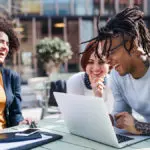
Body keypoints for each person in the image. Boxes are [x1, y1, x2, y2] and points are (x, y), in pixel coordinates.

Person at [88, 7, 150, 135]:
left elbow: (136, 126)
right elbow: (120, 115)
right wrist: (108, 120)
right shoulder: (117, 75)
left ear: (132, 45)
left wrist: (139, 126)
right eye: (105, 54)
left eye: (111, 52)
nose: (107, 60)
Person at [0, 16, 32, 128]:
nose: (5, 47)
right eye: (1, 42)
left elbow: (15, 114)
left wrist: (21, 122)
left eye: (7, 44)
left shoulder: (12, 77)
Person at [67, 40, 114, 113]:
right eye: (90, 62)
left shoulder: (114, 83)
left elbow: (109, 119)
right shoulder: (75, 81)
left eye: (101, 62)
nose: (96, 68)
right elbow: (77, 116)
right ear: (85, 64)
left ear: (109, 64)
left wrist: (98, 96)